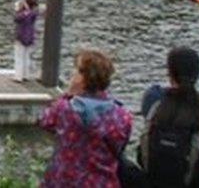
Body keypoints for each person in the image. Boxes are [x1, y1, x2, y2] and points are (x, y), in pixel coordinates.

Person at [41, 49, 133, 187]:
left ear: (84, 78)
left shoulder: (66, 109)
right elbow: (121, 145)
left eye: (77, 71)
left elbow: (45, 121)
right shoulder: (123, 116)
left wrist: (68, 94)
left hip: (66, 181)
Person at [138, 47, 199, 188]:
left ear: (169, 72)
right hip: (194, 181)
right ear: (197, 73)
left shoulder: (153, 97)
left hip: (153, 179)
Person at [13, 0, 40, 83]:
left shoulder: (22, 14)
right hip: (30, 35)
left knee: (19, 56)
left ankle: (18, 76)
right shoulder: (34, 12)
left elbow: (16, 18)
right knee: (27, 56)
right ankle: (26, 75)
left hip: (21, 35)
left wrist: (19, 8)